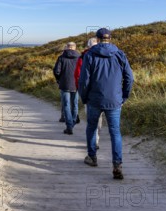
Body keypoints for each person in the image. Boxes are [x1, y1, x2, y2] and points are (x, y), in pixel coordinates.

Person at [78, 28, 133, 180]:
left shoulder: (90, 55)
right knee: (115, 132)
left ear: (97, 38)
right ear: (109, 38)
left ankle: (92, 157)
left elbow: (83, 80)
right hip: (114, 100)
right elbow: (130, 78)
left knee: (92, 127)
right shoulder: (120, 54)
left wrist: (84, 97)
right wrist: (123, 96)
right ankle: (117, 164)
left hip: (94, 99)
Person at [74, 37, 101, 149]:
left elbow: (78, 76)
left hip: (89, 94)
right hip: (105, 93)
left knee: (91, 118)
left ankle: (94, 142)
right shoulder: (109, 55)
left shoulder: (84, 57)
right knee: (100, 118)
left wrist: (81, 91)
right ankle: (97, 138)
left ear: (88, 45)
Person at [53, 42, 80, 135]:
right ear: (75, 48)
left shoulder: (61, 57)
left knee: (66, 105)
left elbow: (56, 71)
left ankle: (69, 126)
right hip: (76, 85)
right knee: (75, 104)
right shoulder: (80, 57)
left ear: (67, 47)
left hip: (64, 84)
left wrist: (58, 80)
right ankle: (72, 123)